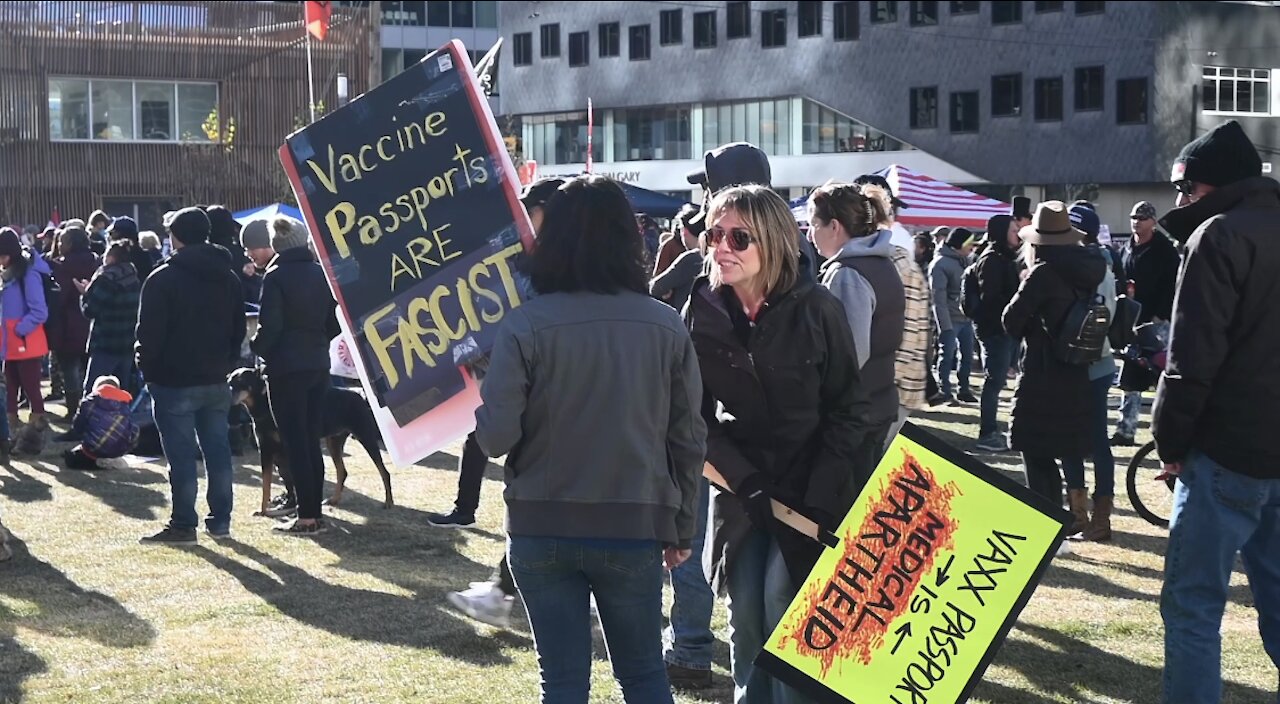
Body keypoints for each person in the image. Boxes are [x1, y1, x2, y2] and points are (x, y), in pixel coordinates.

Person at [474, 175, 706, 703]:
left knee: (561, 682)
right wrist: (683, 526)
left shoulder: (525, 324)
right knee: (644, 675)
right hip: (635, 522)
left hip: (541, 523)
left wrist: (488, 389)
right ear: (629, 240)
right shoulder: (666, 326)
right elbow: (689, 438)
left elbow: (494, 439)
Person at [687, 185, 867, 703]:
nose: (722, 246)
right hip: (742, 489)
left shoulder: (817, 308)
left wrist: (819, 496)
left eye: (738, 237)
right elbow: (690, 417)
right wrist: (744, 480)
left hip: (815, 491)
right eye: (714, 233)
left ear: (773, 242)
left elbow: (849, 410)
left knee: (785, 606)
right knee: (746, 616)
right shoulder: (701, 307)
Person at [1150, 119, 1280, 703]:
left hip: (1228, 451)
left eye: (1186, 190)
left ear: (1211, 186)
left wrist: (1171, 443)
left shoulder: (1219, 235)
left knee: (1193, 605)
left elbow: (1191, 361)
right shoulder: (1232, 229)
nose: (1179, 201)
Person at [442, 177, 567, 628]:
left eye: (528, 212)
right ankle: (506, 589)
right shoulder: (575, 273)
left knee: (537, 507)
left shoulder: (541, 278)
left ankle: (504, 591)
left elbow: (518, 342)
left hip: (543, 414)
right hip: (551, 415)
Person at [136, 207, 245, 545]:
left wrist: (147, 367)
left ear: (177, 236)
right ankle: (220, 520)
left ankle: (184, 524)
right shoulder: (228, 277)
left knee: (182, 458)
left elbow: (149, 333)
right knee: (218, 452)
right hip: (214, 378)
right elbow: (238, 328)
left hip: (173, 380)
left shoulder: (162, 278)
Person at [1001, 202, 1104, 526]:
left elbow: (1011, 321)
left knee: (1036, 454)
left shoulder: (1043, 273)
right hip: (1075, 371)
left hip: (1042, 375)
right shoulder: (1090, 267)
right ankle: (1065, 519)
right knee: (1061, 451)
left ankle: (1046, 527)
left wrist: (1024, 286)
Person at [251, 216, 340, 535]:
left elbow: (270, 326)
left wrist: (256, 346)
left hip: (286, 368)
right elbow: (334, 323)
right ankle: (314, 512)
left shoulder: (275, 277)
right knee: (311, 440)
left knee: (295, 442)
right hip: (318, 363)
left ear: (276, 246)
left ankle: (306, 516)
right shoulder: (320, 273)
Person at [808, 181, 904, 459]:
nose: (810, 234)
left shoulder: (847, 274)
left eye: (814, 224)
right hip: (879, 402)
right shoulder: (883, 262)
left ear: (834, 226)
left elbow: (849, 355)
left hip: (854, 415)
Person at [1064, 204, 1117, 541]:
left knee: (1087, 441)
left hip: (1085, 364)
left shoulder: (1083, 267)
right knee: (1087, 441)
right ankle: (1086, 517)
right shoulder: (1105, 267)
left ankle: (1093, 519)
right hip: (1097, 362)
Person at [1112, 199, 1180, 446]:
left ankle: (1170, 430)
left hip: (1157, 320)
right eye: (1133, 217)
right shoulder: (1126, 248)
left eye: (1141, 218)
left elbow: (1174, 285)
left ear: (1153, 221)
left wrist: (1160, 315)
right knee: (1130, 375)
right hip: (1133, 319)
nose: (1136, 222)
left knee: (1165, 374)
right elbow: (1120, 277)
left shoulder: (1165, 250)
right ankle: (1125, 430)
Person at [972, 215, 1021, 452]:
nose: (1018, 234)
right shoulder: (991, 259)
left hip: (1004, 329)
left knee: (998, 380)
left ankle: (991, 429)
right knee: (994, 381)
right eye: (1013, 230)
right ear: (1002, 232)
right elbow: (990, 299)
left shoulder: (1006, 257)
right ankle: (987, 433)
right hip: (994, 330)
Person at [0, 227, 51, 442]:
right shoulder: (7, 275)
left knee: (30, 383)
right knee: (9, 382)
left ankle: (37, 419)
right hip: (9, 340)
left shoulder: (28, 275)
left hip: (25, 339)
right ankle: (10, 420)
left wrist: (19, 329)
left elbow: (40, 311)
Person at [48, 227, 98, 433]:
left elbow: (60, 296)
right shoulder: (97, 260)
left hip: (68, 322)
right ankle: (95, 409)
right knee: (90, 369)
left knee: (69, 368)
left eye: (63, 241)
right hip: (92, 320)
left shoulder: (62, 266)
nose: (59, 244)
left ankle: (73, 411)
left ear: (71, 243)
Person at [78, 240, 142, 401]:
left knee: (94, 388)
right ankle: (121, 421)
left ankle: (88, 422)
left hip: (105, 341)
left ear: (111, 257)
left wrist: (85, 293)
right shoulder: (133, 277)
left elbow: (89, 310)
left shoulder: (106, 279)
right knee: (122, 389)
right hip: (127, 341)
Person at [930, 227, 977, 404]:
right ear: (960, 244)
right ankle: (945, 390)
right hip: (949, 318)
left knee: (966, 356)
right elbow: (938, 297)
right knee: (947, 355)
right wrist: (944, 325)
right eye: (969, 243)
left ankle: (964, 390)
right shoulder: (940, 264)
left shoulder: (966, 261)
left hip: (966, 318)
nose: (972, 247)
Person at [62, 375, 140, 470]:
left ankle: (97, 460)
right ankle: (110, 460)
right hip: (119, 450)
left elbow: (78, 427)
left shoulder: (89, 402)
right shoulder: (125, 406)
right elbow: (134, 429)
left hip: (93, 449)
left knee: (72, 458)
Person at [649, 209, 706, 313]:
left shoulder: (690, 258)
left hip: (687, 323)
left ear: (685, 231)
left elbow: (655, 287)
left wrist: (668, 288)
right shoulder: (715, 256)